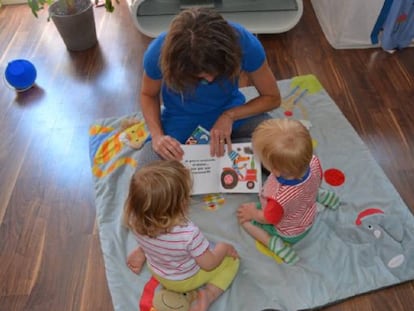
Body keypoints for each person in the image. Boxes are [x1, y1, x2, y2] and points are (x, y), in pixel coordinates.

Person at [138, 7, 281, 167]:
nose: (211, 79)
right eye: (200, 77)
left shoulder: (243, 42)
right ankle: (241, 148)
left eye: (217, 72)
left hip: (234, 114)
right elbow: (148, 95)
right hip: (178, 122)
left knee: (282, 144)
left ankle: (237, 148)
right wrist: (157, 136)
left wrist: (229, 116)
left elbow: (273, 98)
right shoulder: (158, 52)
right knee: (147, 176)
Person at [124, 160, 240, 311]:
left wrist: (142, 249)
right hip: (184, 280)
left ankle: (142, 251)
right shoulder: (188, 233)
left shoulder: (134, 219)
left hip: (157, 271)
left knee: (155, 243)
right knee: (232, 261)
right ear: (181, 203)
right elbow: (209, 264)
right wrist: (223, 249)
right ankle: (209, 295)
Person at [236, 119, 339, 265]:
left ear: (275, 170)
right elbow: (317, 181)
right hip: (308, 213)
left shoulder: (277, 197)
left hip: (290, 233)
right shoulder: (314, 161)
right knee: (311, 188)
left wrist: (253, 214)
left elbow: (269, 219)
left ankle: (277, 246)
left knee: (246, 222)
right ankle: (325, 197)